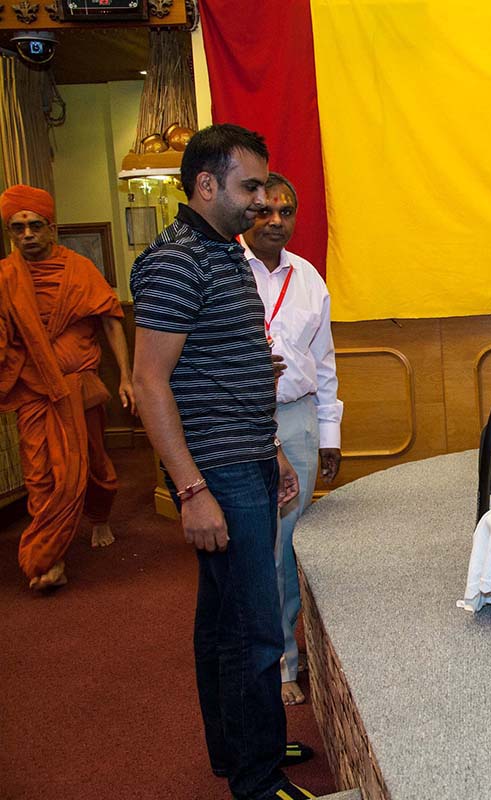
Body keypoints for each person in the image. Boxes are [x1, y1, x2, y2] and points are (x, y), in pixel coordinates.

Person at [130, 124, 315, 800]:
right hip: (218, 473)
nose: (262, 201)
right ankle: (257, 780)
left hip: (248, 456)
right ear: (206, 185)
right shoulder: (177, 260)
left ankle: (237, 746)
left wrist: (273, 449)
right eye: (250, 187)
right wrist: (191, 490)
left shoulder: (223, 251)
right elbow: (149, 382)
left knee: (221, 621)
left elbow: (226, 367)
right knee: (254, 630)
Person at [0, 184, 134, 591]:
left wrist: (126, 376)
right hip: (33, 389)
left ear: (51, 227)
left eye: (35, 225)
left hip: (78, 386)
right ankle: (50, 557)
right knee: (39, 471)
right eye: (18, 227)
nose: (27, 234)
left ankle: (99, 517)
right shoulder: (6, 277)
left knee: (90, 463)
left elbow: (111, 319)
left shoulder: (78, 269)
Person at [242, 172, 343, 708]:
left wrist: (329, 434)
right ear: (246, 211)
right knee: (254, 544)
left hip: (297, 418)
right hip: (239, 422)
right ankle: (270, 655)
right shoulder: (224, 270)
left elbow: (323, 362)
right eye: (264, 210)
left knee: (287, 545)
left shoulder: (308, 277)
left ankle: (285, 650)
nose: (275, 221)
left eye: (286, 212)